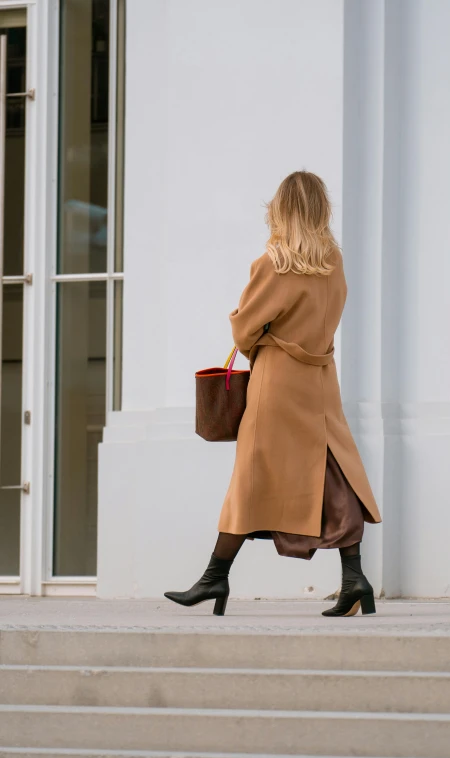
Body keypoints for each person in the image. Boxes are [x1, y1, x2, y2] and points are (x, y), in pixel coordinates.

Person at [165, 171, 382, 617]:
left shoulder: (273, 262)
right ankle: (354, 576)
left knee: (251, 478)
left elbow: (245, 327)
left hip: (278, 381)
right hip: (320, 380)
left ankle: (214, 579)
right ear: (321, 210)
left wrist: (255, 337)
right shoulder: (333, 261)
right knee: (333, 472)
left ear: (280, 209)